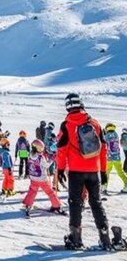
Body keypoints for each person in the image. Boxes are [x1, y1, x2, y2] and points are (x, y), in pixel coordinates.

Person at [56, 93, 112, 250]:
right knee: (96, 203)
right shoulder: (94, 123)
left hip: (76, 171)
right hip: (94, 170)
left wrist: (60, 169)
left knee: (75, 203)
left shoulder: (66, 125)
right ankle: (105, 237)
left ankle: (76, 238)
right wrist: (103, 170)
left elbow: (61, 149)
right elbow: (103, 148)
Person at [23, 139, 64, 217]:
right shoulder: (41, 157)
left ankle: (28, 205)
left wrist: (46, 154)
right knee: (50, 192)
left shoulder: (29, 155)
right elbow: (46, 165)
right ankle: (56, 205)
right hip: (42, 179)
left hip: (34, 178)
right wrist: (52, 158)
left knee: (32, 192)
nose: (42, 149)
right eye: (41, 148)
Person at [103, 123, 127, 194]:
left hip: (109, 158)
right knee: (120, 172)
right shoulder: (116, 135)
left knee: (106, 173)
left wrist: (103, 134)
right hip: (117, 157)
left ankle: (104, 187)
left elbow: (104, 143)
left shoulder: (107, 136)